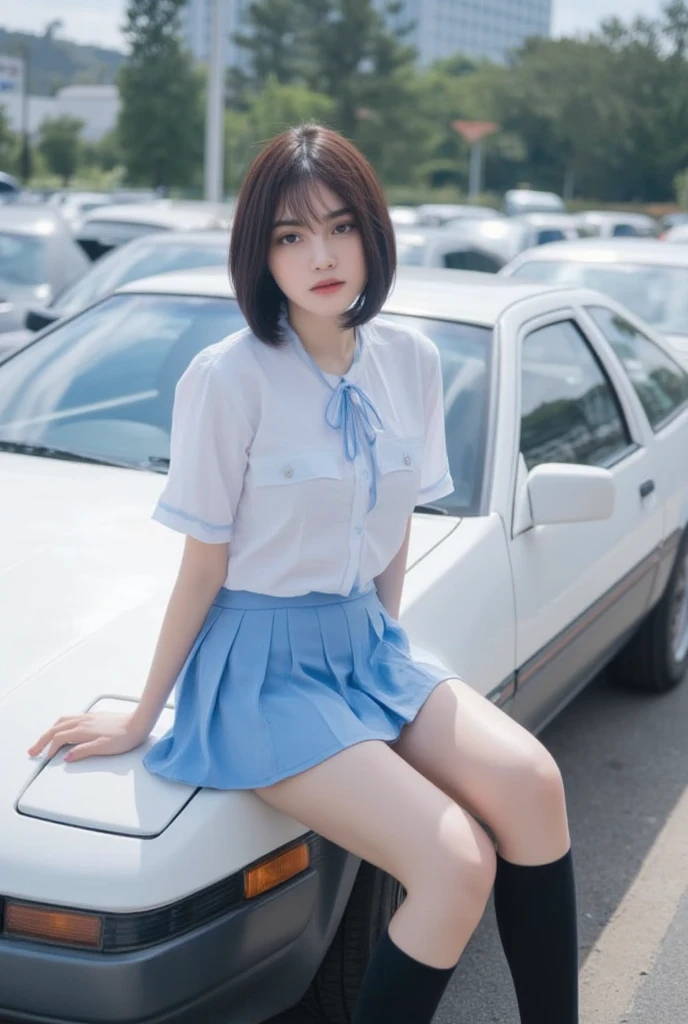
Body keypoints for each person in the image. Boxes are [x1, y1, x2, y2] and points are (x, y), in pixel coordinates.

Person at [28, 124, 579, 1024]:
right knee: (455, 862)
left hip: (365, 645)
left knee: (535, 786)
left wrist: (388, 658)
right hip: (262, 673)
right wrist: (142, 710)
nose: (320, 255)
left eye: (339, 226)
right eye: (290, 236)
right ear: (260, 253)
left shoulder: (411, 360)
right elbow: (202, 564)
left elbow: (396, 521)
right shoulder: (228, 378)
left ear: (373, 232)